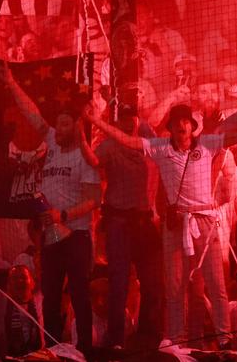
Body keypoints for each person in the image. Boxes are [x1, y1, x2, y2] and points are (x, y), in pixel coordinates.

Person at [87, 84, 237, 347]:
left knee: (216, 285)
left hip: (204, 222)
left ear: (192, 125)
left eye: (186, 121)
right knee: (174, 287)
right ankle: (175, 340)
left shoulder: (207, 144)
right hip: (175, 226)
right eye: (176, 122)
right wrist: (95, 120)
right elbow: (127, 140)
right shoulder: (161, 147)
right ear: (171, 128)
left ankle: (225, 340)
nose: (182, 125)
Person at [0, 67, 101, 350]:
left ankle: (84, 352)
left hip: (77, 236)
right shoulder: (52, 144)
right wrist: (10, 82)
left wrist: (64, 215)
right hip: (51, 238)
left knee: (80, 296)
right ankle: (56, 350)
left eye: (66, 125)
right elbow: (32, 112)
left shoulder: (83, 155)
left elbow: (95, 198)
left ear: (76, 127)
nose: (58, 131)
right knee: (52, 296)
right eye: (58, 125)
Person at [93, 92, 163, 350]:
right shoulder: (110, 145)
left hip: (144, 221)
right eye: (123, 117)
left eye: (132, 116)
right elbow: (93, 160)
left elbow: (166, 143)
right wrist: (101, 119)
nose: (129, 121)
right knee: (119, 281)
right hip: (119, 220)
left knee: (153, 281)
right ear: (117, 120)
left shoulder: (148, 142)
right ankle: (116, 339)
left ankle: (149, 336)